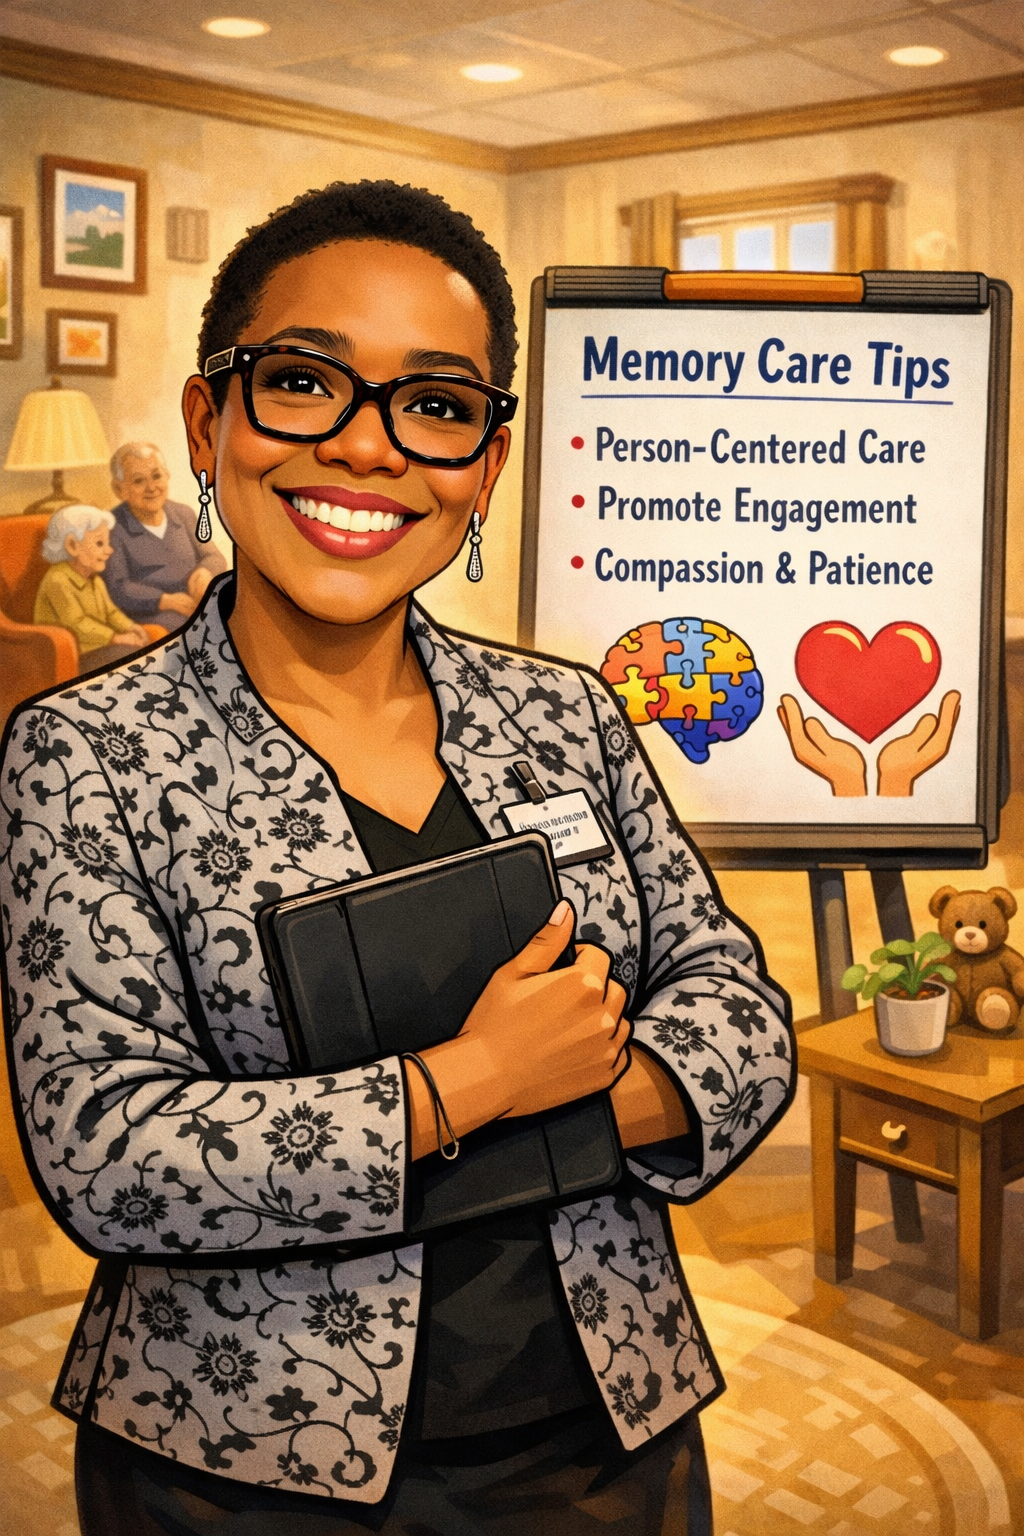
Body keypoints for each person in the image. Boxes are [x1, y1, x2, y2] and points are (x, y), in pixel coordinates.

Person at [0, 181, 794, 1536]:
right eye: (305, 382)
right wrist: (468, 1085)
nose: (371, 450)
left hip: (608, 1421)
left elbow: (738, 1009)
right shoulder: (83, 753)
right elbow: (105, 1149)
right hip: (239, 1461)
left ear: (486, 461)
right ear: (211, 420)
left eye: (435, 405)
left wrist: (539, 1110)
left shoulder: (567, 715)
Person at [104, 440, 227, 629]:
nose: (151, 487)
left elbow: (213, 555)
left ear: (167, 476)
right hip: (153, 614)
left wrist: (204, 572)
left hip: (197, 601)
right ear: (119, 489)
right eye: (138, 481)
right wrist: (164, 600)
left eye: (156, 476)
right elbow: (118, 587)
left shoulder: (184, 514)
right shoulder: (113, 527)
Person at [33, 503, 151, 670]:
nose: (109, 550)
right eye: (99, 543)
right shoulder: (57, 580)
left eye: (108, 542)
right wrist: (116, 638)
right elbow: (76, 624)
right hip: (71, 656)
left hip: (99, 649)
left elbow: (111, 613)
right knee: (134, 659)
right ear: (72, 546)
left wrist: (130, 626)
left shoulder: (95, 580)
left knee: (143, 653)